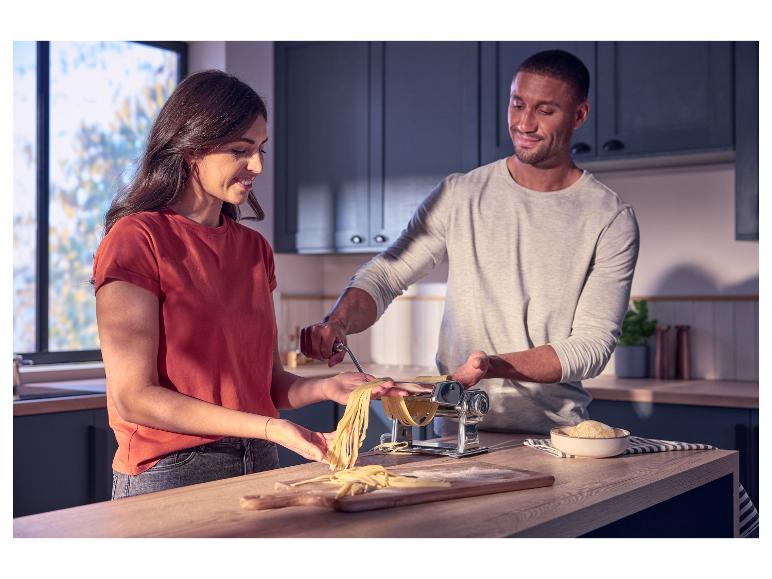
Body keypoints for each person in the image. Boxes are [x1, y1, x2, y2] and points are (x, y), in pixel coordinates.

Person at [93, 70, 402, 499]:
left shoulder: (254, 250)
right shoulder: (136, 238)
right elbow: (134, 398)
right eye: (241, 150)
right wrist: (271, 426)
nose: (257, 165)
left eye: (260, 149)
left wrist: (328, 388)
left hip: (257, 460)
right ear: (192, 148)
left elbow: (266, 385)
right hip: (170, 472)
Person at [300, 50, 640, 436]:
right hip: (455, 432)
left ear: (579, 115)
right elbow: (386, 274)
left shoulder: (609, 218)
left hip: (555, 436)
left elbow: (590, 348)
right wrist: (338, 322)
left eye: (545, 111)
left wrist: (489, 365)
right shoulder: (460, 194)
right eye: (517, 104)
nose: (524, 123)